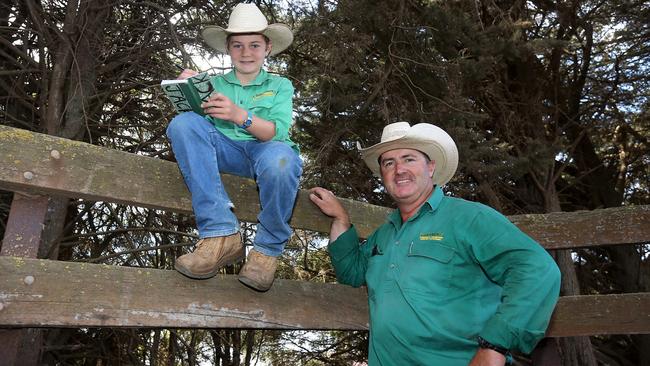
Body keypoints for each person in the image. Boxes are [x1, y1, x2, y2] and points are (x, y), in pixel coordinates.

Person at [309, 122, 561, 365]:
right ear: (382, 175)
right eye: (389, 162)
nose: (399, 169)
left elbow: (537, 269)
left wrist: (495, 346)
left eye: (409, 159)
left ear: (430, 167)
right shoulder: (385, 234)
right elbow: (352, 272)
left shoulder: (469, 217)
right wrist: (341, 219)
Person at [166, 3, 302, 292]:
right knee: (182, 124)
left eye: (254, 45)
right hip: (224, 151)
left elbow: (274, 132)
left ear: (267, 48)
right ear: (228, 49)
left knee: (282, 160)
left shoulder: (280, 86)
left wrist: (240, 115)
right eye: (237, 45)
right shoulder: (213, 84)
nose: (246, 52)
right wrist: (187, 89)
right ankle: (220, 233)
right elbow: (195, 130)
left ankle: (266, 251)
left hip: (266, 152)